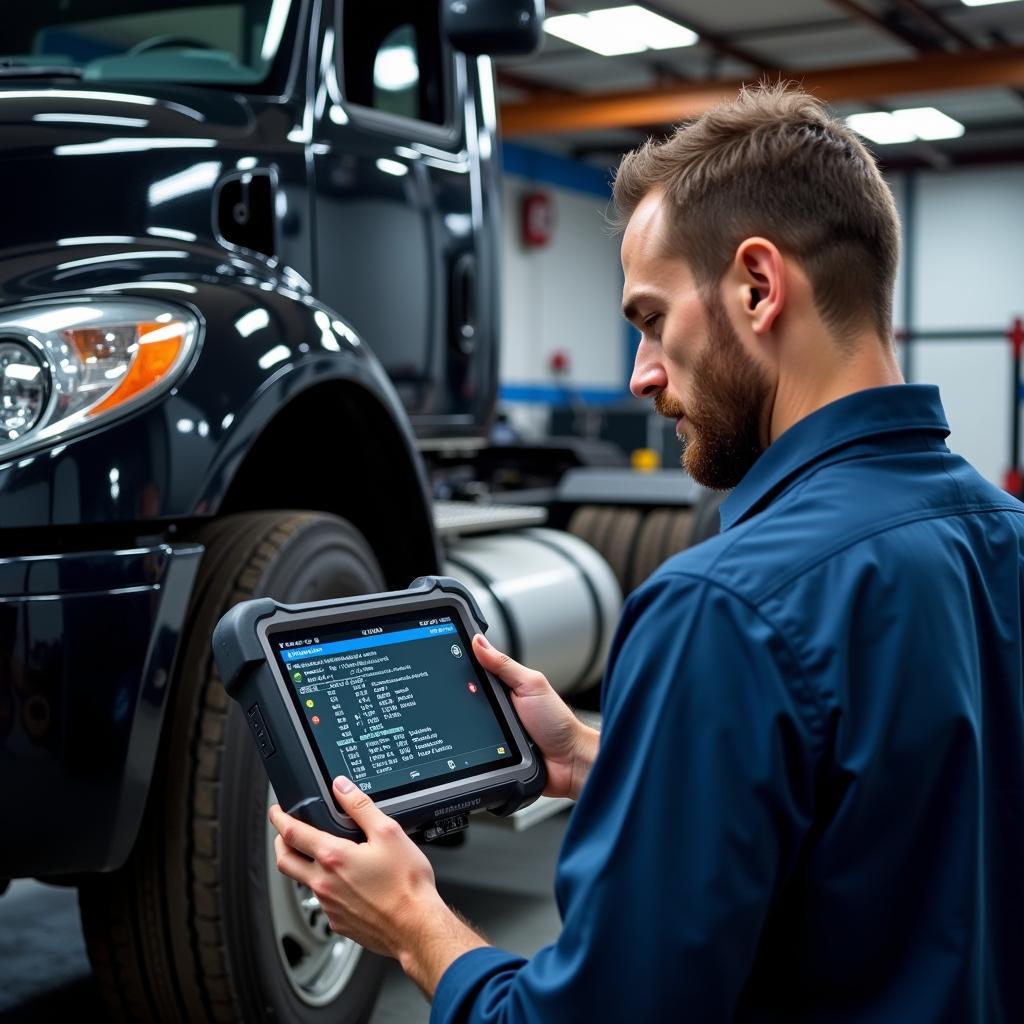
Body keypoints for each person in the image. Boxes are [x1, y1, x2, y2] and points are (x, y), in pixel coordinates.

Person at [269, 85, 1024, 1021]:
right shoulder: (1003, 538)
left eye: (652, 318)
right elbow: (894, 827)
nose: (640, 373)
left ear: (758, 286)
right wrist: (605, 758)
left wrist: (415, 921)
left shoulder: (724, 607)